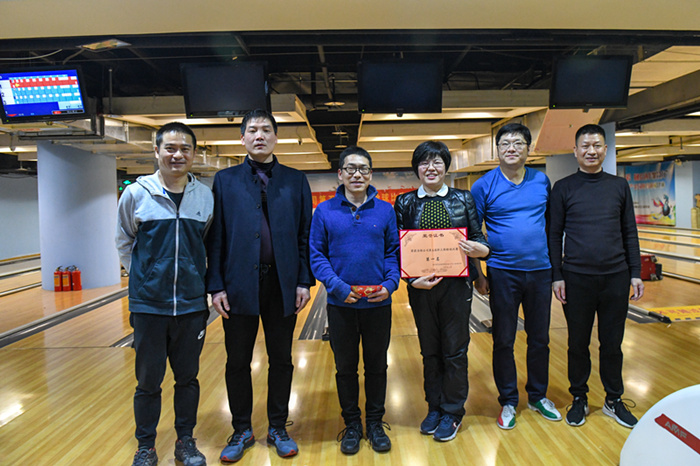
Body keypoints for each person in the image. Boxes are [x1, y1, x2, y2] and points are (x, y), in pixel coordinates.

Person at [206, 109, 315, 462]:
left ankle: (278, 427)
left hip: (282, 284)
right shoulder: (225, 180)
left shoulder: (296, 180)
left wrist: (303, 280)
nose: (259, 135)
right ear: (242, 138)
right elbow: (216, 237)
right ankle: (241, 429)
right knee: (237, 360)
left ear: (275, 137)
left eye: (266, 129)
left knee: (281, 359)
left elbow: (304, 235)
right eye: (252, 130)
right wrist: (216, 286)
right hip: (238, 284)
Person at [116, 122, 213, 466]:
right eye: (170, 148)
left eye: (185, 148)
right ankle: (146, 446)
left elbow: (206, 244)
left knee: (187, 379)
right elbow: (124, 241)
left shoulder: (204, 196)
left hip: (190, 306)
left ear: (193, 153)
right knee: (148, 382)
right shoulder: (136, 194)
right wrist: (145, 278)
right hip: (149, 308)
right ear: (156, 151)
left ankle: (185, 442)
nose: (177, 155)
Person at [548, 123, 644, 429]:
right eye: (585, 146)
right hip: (576, 278)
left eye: (597, 145)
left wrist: (636, 272)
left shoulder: (619, 186)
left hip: (616, 277)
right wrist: (557, 275)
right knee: (577, 343)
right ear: (575, 151)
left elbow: (630, 232)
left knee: (612, 344)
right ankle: (579, 397)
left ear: (605, 149)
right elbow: (554, 235)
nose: (591, 151)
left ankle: (614, 399)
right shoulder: (563, 188)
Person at [394, 141, 490, 442]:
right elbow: (398, 247)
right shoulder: (405, 202)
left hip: (456, 286)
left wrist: (481, 255)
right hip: (421, 288)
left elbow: (478, 238)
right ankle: (434, 407)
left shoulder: (463, 198)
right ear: (417, 168)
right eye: (424, 162)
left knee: (455, 351)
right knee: (430, 351)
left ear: (446, 167)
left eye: (437, 162)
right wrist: (411, 280)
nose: (431, 168)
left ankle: (453, 411)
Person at [309, 146, 400, 455]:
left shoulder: (385, 211)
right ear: (340, 174)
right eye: (350, 169)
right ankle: (352, 424)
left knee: (377, 366)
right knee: (345, 368)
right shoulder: (324, 212)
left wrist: (390, 284)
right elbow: (317, 255)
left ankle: (374, 423)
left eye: (363, 169)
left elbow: (393, 253)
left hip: (378, 304)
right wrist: (336, 287)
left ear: (371, 174)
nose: (357, 174)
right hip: (341, 305)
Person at [471, 123, 562, 430]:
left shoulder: (541, 181)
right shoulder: (483, 185)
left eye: (518, 143)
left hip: (540, 272)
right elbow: (474, 233)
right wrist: (479, 274)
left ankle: (538, 396)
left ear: (528, 148)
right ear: (497, 149)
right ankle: (509, 400)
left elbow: (550, 227)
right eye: (505, 143)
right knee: (503, 340)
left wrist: (556, 271)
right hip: (502, 273)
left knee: (540, 339)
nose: (511, 148)